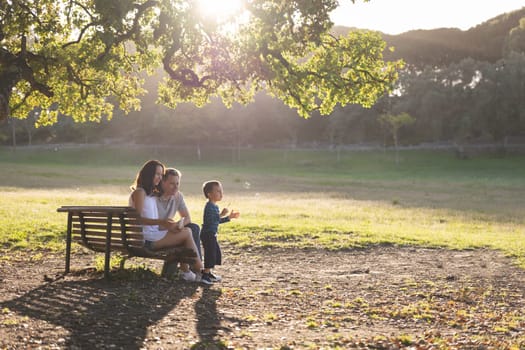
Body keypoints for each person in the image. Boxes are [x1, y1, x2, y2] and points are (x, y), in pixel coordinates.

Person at [129, 160, 210, 284]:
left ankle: (191, 272)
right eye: (157, 174)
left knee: (187, 230)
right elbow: (137, 219)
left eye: (161, 175)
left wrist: (167, 224)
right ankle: (200, 272)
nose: (159, 178)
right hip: (145, 240)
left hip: (151, 236)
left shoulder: (149, 194)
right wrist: (162, 222)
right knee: (187, 232)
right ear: (148, 174)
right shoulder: (140, 192)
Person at [157, 167, 202, 274]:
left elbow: (187, 218)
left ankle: (192, 268)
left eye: (177, 183)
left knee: (193, 227)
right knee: (185, 234)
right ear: (163, 182)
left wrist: (178, 225)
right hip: (157, 233)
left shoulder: (178, 196)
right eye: (172, 183)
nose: (176, 187)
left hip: (170, 230)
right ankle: (196, 270)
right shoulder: (153, 198)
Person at [200, 180, 240, 284]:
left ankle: (209, 273)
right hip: (207, 234)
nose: (221, 193)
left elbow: (217, 221)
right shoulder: (209, 206)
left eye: (221, 191)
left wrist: (229, 217)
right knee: (210, 253)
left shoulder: (215, 206)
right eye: (217, 191)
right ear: (209, 194)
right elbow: (212, 220)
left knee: (215, 252)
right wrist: (222, 215)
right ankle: (204, 275)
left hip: (211, 234)